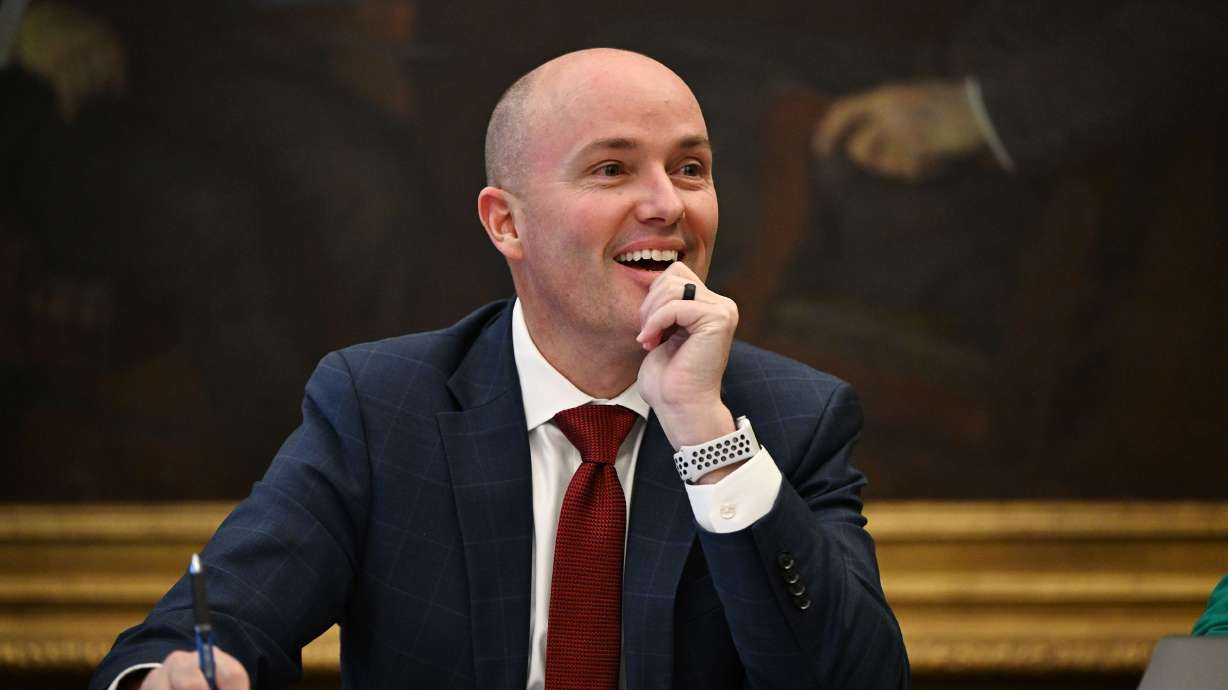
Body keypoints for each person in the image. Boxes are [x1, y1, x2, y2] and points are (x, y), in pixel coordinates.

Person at [90, 48, 908, 690]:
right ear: (506, 224)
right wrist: (173, 680)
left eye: (690, 168)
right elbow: (199, 630)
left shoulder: (791, 419)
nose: (669, 204)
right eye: (613, 169)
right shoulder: (381, 408)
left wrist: (706, 434)